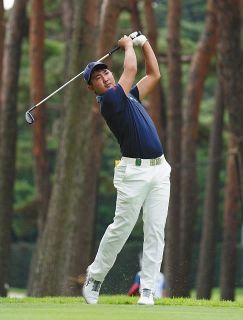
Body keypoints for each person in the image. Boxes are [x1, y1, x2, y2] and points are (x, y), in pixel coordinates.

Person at [82, 31, 171, 305]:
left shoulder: (129, 96)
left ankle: (147, 289)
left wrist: (144, 45)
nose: (105, 78)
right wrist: (127, 45)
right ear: (93, 89)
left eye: (106, 73)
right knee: (121, 228)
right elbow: (130, 68)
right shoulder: (109, 102)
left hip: (160, 170)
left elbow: (154, 75)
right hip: (134, 173)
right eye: (97, 78)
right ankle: (94, 278)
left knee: (156, 231)